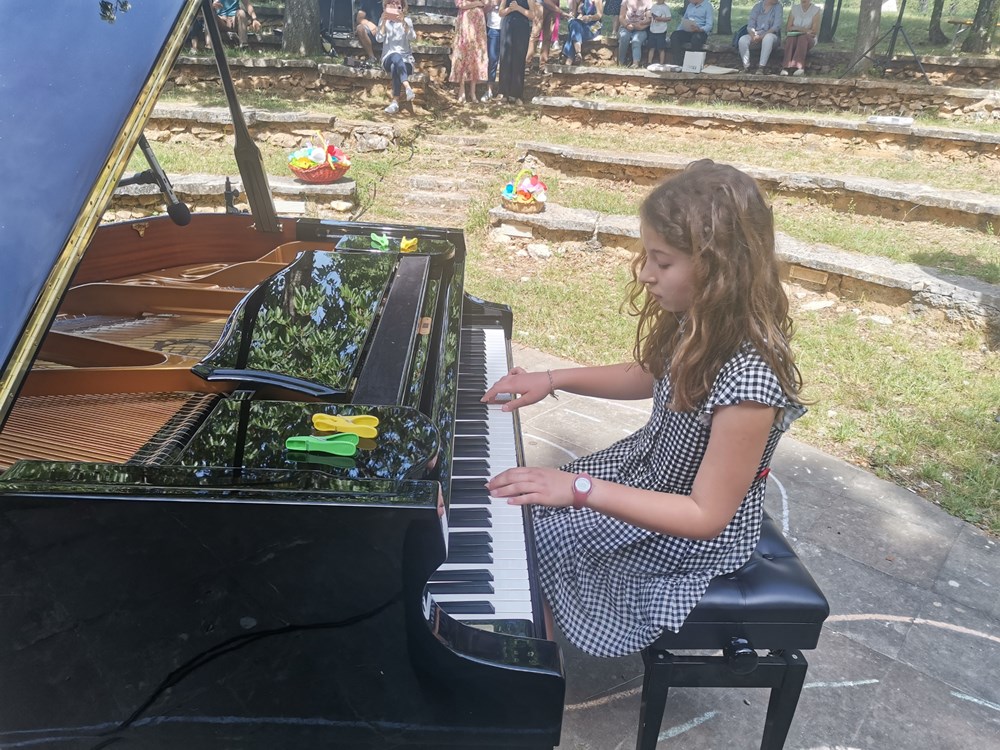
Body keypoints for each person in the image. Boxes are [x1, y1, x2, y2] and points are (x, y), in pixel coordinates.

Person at [481, 160, 806, 657]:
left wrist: (580, 489)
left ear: (719, 270)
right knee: (523, 513)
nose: (647, 275)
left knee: (535, 542)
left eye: (663, 262)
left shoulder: (750, 384)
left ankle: (533, 672)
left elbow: (704, 516)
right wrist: (551, 379)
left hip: (690, 532)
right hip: (648, 475)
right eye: (647, 256)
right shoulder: (700, 320)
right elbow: (652, 374)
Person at [375, 0, 417, 114]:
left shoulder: (407, 20)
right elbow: (379, 39)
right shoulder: (384, 21)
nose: (394, 5)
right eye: (391, 3)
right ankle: (407, 87)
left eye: (397, 3)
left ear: (402, 6)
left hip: (406, 59)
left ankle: (395, 102)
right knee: (395, 56)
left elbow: (412, 37)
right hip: (388, 57)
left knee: (395, 67)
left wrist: (403, 22)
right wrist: (384, 21)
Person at [451, 0, 489, 104]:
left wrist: (479, 4)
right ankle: (462, 90)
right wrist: (477, 3)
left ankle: (473, 91)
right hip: (465, 22)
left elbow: (486, 3)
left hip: (478, 22)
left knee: (476, 55)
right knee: (463, 54)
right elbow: (461, 4)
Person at [498, 0, 533, 104]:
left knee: (519, 59)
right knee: (505, 58)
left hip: (522, 27)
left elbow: (532, 15)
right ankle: (504, 92)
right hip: (507, 26)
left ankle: (516, 94)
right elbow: (500, 12)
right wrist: (509, 9)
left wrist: (518, 8)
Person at [738, 0, 784, 73]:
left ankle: (761, 67)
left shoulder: (778, 7)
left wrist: (762, 36)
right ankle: (746, 66)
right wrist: (753, 35)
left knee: (768, 38)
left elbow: (776, 26)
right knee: (742, 40)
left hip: (772, 36)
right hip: (756, 34)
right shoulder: (757, 6)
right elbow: (750, 26)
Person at [780, 0, 821, 76]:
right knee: (790, 38)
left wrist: (796, 28)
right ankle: (785, 67)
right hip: (794, 36)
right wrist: (804, 30)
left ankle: (798, 67)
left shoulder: (816, 10)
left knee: (802, 38)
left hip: (809, 38)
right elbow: (788, 28)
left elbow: (814, 31)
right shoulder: (794, 9)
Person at [670, 0, 713, 66]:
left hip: (700, 32)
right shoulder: (690, 6)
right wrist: (678, 30)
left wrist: (700, 29)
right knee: (675, 35)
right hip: (689, 31)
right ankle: (679, 63)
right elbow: (684, 20)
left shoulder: (707, 6)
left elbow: (709, 25)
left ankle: (693, 64)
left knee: (696, 39)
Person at [526, 0, 566, 70]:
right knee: (535, 35)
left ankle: (543, 65)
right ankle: (527, 64)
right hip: (541, 6)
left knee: (548, 37)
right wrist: (561, 11)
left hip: (553, 8)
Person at [562, 0, 603, 65]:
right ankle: (578, 53)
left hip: (596, 25)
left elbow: (599, 15)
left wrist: (589, 17)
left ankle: (569, 58)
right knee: (574, 24)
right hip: (581, 24)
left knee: (574, 32)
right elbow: (573, 14)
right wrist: (570, 16)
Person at [617, 0, 651, 67]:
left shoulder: (648, 1)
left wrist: (641, 27)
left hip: (641, 28)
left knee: (636, 40)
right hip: (626, 27)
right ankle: (621, 62)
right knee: (624, 37)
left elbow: (649, 19)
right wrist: (627, 25)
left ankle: (635, 63)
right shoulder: (625, 1)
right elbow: (621, 18)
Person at [484, 0, 504, 99]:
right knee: (492, 59)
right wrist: (491, 5)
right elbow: (483, 10)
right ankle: (489, 90)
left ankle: (503, 90)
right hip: (492, 28)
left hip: (507, 28)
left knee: (505, 60)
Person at [357, 0, 385, 66]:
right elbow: (359, 18)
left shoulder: (392, 2)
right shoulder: (367, 1)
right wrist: (369, 24)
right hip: (373, 32)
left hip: (388, 32)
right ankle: (372, 57)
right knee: (360, 28)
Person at [645, 0, 671, 67]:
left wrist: (661, 19)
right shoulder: (654, 6)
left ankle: (661, 63)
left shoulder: (666, 7)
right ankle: (649, 62)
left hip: (661, 31)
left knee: (661, 48)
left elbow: (669, 18)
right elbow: (650, 15)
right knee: (651, 47)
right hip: (652, 30)